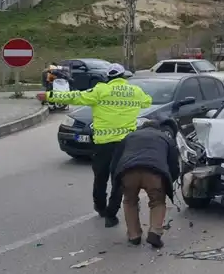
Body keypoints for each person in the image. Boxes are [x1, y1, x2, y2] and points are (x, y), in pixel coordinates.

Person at [37, 63, 152, 227]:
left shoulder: (101, 90)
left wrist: (49, 95)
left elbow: (75, 96)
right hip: (125, 145)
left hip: (103, 144)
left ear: (108, 77)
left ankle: (100, 207)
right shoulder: (135, 91)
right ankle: (111, 215)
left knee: (100, 178)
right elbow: (147, 102)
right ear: (123, 77)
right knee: (119, 180)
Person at [110, 119, 180, 248]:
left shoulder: (129, 137)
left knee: (129, 201)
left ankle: (134, 235)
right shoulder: (165, 138)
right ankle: (155, 232)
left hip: (128, 171)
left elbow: (115, 162)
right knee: (157, 202)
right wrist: (169, 181)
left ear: (141, 128)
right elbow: (174, 165)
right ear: (158, 129)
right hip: (154, 173)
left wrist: (116, 181)